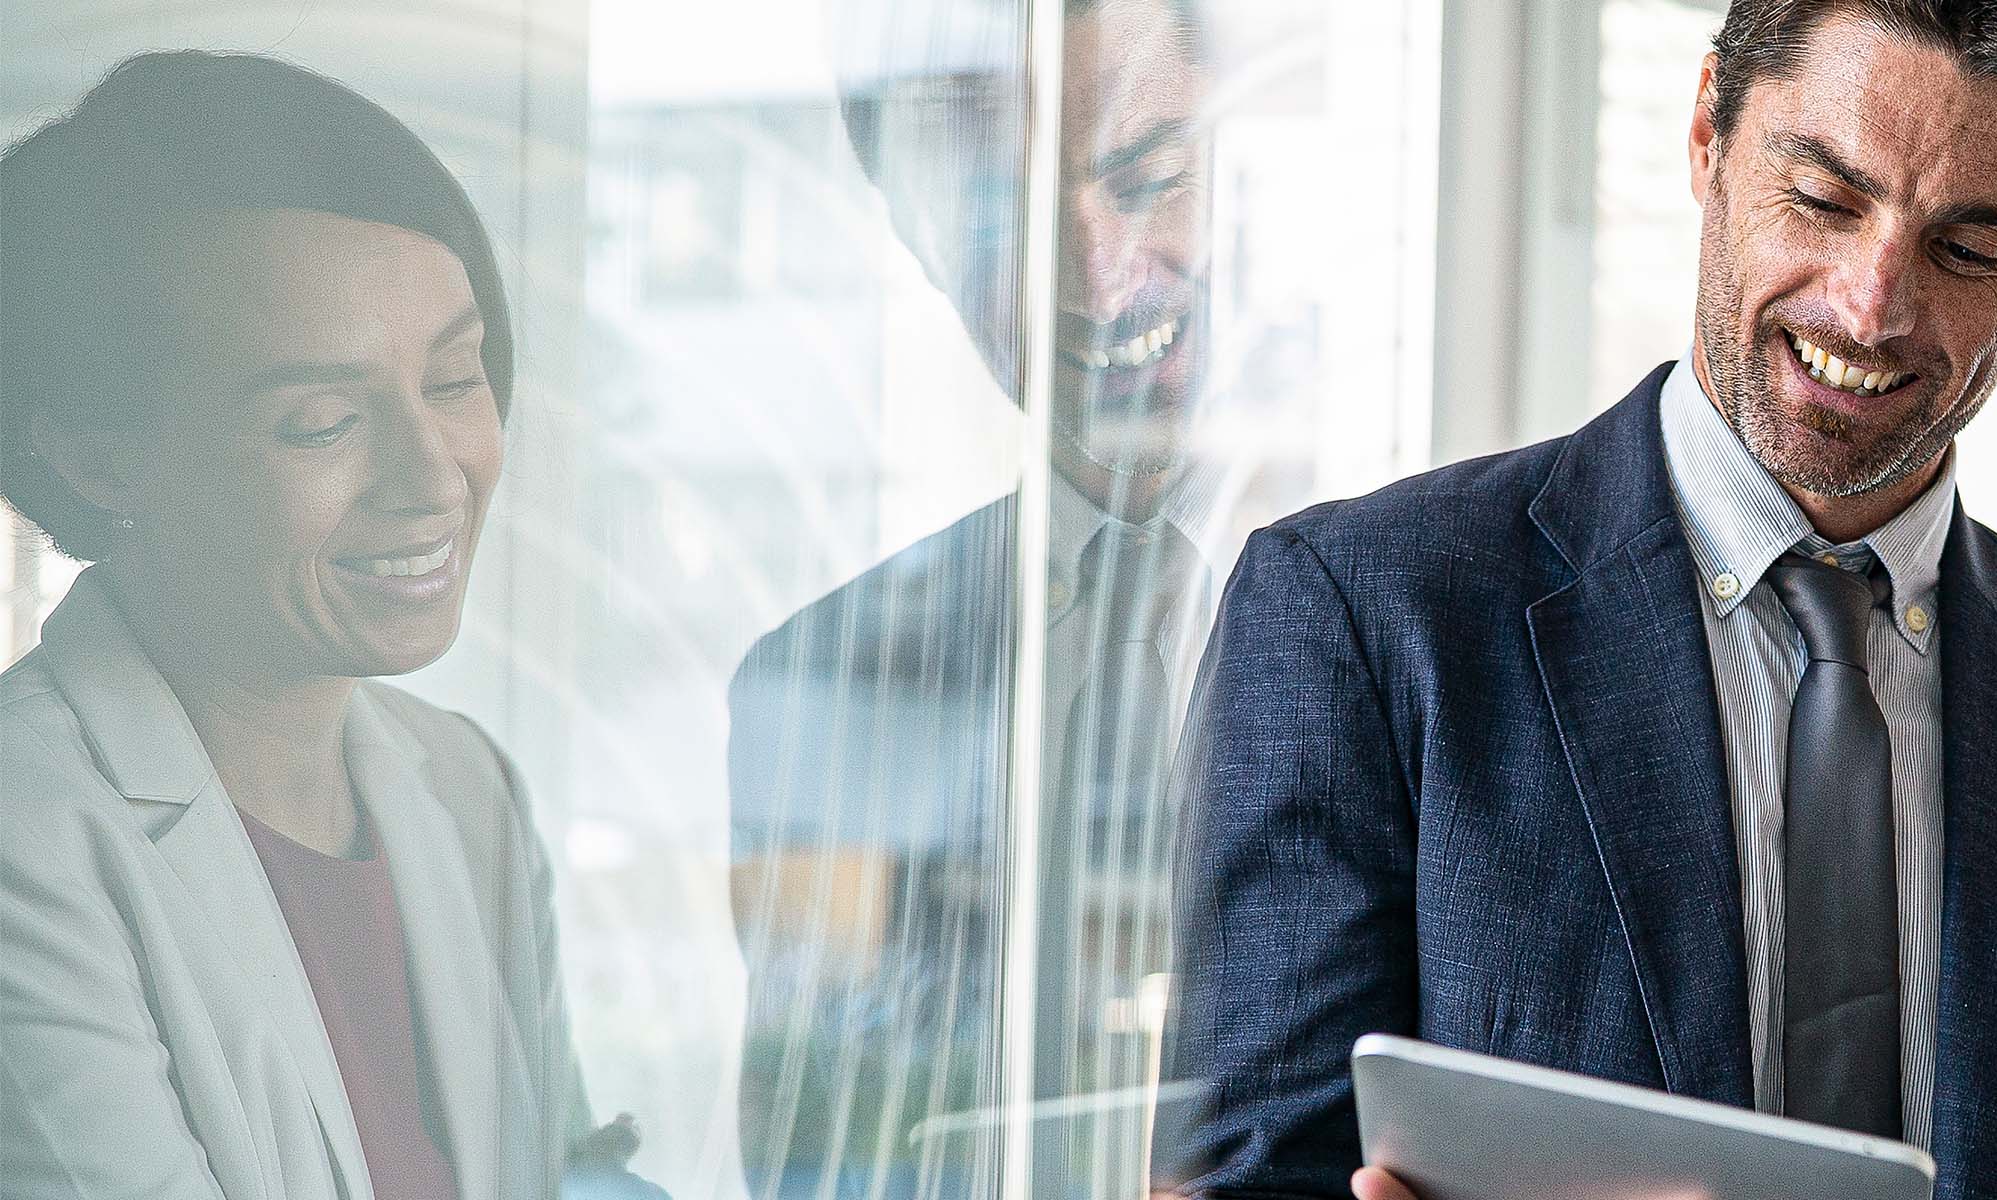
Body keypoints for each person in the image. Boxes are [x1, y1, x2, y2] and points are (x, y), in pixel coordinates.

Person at [1169, 2, 1997, 1199]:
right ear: (1705, 135)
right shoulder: (1362, 621)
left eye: (1969, 251)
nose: (1868, 305)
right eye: (1825, 200)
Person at [0, 51, 643, 1200]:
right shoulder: (26, 839)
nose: (432, 478)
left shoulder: (464, 786)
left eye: (454, 379)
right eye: (324, 422)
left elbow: (559, 1171)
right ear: (95, 455)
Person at [722, 0, 1218, 1195]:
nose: (1097, 282)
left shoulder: (1461, 624)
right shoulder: (821, 676)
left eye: (1152, 178)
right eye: (1004, 226)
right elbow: (820, 1147)